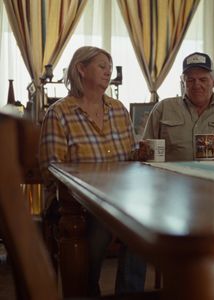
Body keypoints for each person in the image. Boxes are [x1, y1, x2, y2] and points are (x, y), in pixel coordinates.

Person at [39, 46, 146, 296]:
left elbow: (130, 159)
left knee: (144, 221)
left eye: (110, 66)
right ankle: (86, 291)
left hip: (118, 199)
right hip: (73, 203)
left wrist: (141, 154)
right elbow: (50, 170)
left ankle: (129, 293)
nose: (109, 71)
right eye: (102, 65)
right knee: (100, 222)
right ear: (81, 68)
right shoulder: (59, 113)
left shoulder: (119, 109)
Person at [143, 52, 214, 161]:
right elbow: (145, 149)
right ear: (183, 82)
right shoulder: (163, 108)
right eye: (190, 80)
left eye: (203, 79)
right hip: (173, 178)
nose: (197, 85)